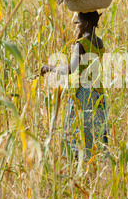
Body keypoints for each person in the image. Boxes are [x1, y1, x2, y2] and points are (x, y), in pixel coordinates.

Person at [40, 11, 108, 160]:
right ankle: (94, 168)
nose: (77, 25)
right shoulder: (99, 42)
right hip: (97, 93)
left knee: (78, 133)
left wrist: (49, 68)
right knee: (95, 132)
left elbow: (71, 69)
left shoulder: (81, 45)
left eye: (79, 22)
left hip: (82, 95)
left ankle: (80, 169)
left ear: (87, 24)